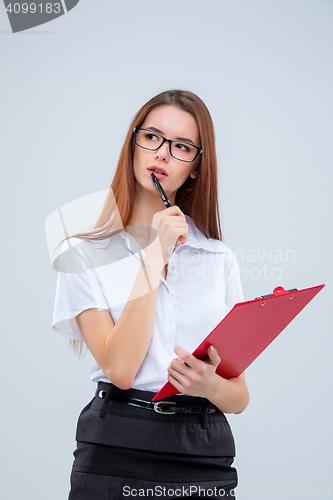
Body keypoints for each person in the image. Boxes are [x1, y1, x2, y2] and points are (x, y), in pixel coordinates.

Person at [51, 89, 250, 500]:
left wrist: (207, 385)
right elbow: (121, 370)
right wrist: (153, 255)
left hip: (203, 448)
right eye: (152, 137)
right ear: (134, 144)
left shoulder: (217, 257)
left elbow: (239, 396)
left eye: (181, 147)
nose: (161, 154)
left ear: (196, 167)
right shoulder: (82, 253)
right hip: (117, 444)